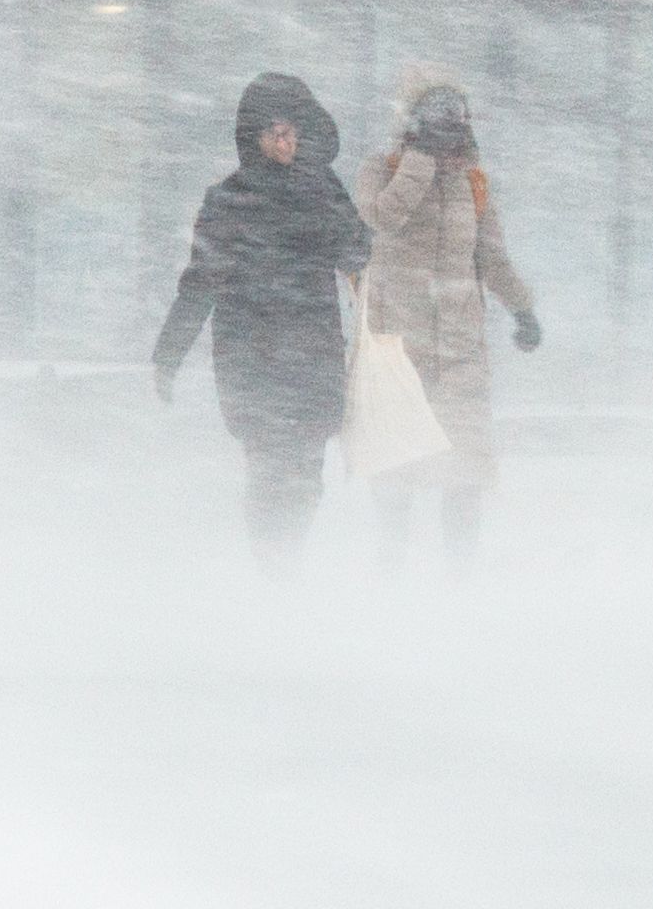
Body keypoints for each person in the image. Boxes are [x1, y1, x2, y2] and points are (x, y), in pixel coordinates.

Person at [153, 72, 372, 563]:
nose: (286, 141)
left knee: (308, 477)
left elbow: (357, 254)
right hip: (253, 359)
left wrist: (331, 207)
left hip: (313, 355)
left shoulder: (321, 190)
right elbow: (200, 281)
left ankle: (283, 564)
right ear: (254, 137)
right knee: (269, 471)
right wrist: (169, 353)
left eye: (293, 131)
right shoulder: (229, 200)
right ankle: (271, 568)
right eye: (275, 131)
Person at [356, 71, 541, 564]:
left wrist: (522, 307)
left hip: (460, 354)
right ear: (416, 124)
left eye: (457, 123)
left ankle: (460, 576)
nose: (452, 133)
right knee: (398, 471)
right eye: (440, 123)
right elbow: (381, 216)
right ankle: (391, 573)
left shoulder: (473, 185)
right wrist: (418, 163)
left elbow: (493, 257)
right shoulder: (384, 167)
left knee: (466, 471)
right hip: (400, 348)